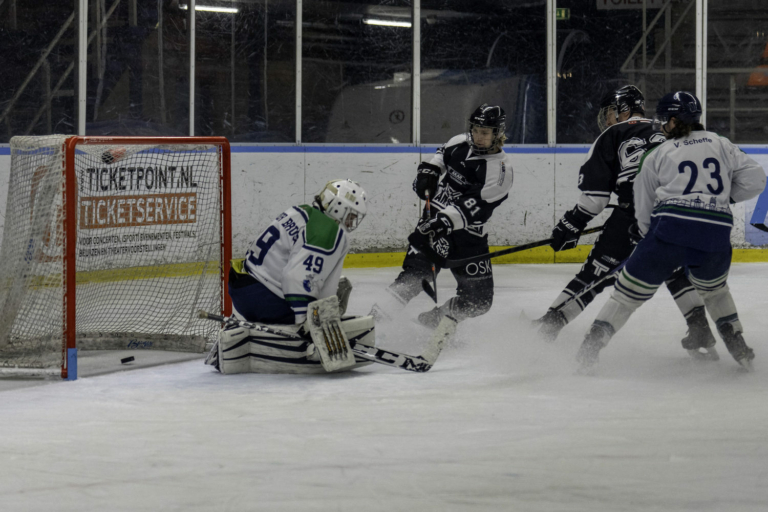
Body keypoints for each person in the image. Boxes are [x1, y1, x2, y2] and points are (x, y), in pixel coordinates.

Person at [576, 91, 766, 371]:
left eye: (665, 120)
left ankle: (589, 350)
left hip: (671, 231)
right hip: (715, 232)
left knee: (626, 294)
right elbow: (757, 180)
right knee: (715, 292)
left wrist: (645, 234)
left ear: (675, 120)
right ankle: (738, 345)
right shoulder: (722, 143)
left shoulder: (659, 153)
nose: (662, 125)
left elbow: (643, 206)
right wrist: (720, 200)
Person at [533, 85, 717, 358]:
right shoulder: (670, 128)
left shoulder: (613, 134)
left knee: (596, 272)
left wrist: (572, 223)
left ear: (623, 110)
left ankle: (551, 324)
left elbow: (595, 199)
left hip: (633, 214)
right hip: (677, 212)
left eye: (609, 112)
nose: (606, 120)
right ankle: (699, 326)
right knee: (675, 269)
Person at [373, 104, 514, 328]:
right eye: (475, 130)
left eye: (485, 133)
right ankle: (372, 323)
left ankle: (436, 320)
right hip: (434, 224)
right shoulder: (459, 142)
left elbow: (472, 207)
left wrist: (444, 221)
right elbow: (439, 157)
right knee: (416, 276)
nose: (478, 136)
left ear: (498, 134)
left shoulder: (500, 173)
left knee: (478, 301)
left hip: (469, 238)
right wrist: (428, 172)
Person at [228, 178, 367, 325]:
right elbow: (296, 279)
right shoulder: (326, 230)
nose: (351, 223)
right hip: (263, 299)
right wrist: (306, 322)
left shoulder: (302, 211)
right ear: (339, 207)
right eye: (351, 216)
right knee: (317, 321)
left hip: (241, 286)